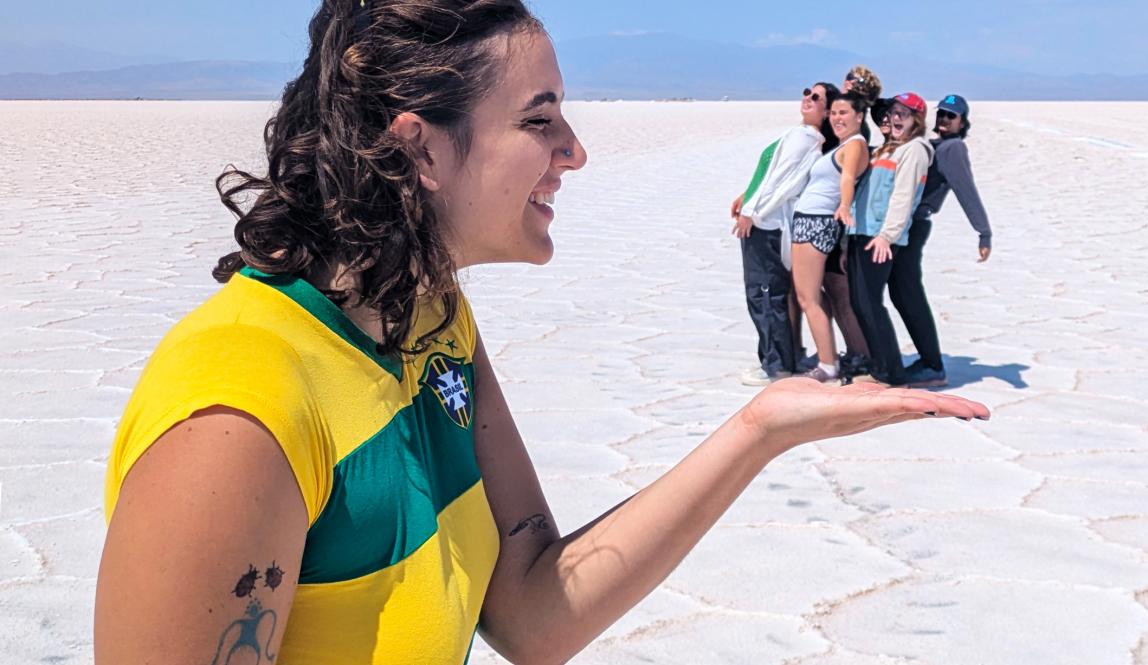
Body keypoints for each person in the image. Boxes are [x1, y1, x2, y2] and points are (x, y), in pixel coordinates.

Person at [94, 4, 989, 663]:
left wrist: (761, 431)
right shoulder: (237, 418)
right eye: (538, 120)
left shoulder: (428, 318)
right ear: (420, 149)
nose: (575, 150)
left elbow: (531, 610)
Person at [731, 83, 837, 386]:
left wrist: (752, 210)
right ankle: (778, 360)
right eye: (807, 92)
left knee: (764, 295)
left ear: (827, 112)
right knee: (766, 294)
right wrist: (746, 195)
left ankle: (776, 366)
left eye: (816, 97)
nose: (808, 98)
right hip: (765, 217)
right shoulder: (800, 134)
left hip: (768, 224)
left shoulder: (806, 139)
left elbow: (781, 183)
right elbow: (769, 174)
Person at [892, 94, 993, 388]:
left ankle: (932, 365)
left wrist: (983, 232)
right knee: (901, 294)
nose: (945, 120)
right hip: (904, 225)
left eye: (951, 116)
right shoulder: (933, 145)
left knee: (908, 294)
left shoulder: (953, 149)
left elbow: (966, 189)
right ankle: (928, 361)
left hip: (913, 227)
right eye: (942, 115)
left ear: (962, 122)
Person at [848, 92, 936, 386]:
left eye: (904, 114)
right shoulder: (886, 149)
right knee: (860, 302)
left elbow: (903, 197)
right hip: (862, 232)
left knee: (869, 303)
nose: (895, 118)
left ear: (917, 121)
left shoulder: (914, 150)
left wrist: (888, 235)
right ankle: (880, 365)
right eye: (893, 113)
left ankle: (890, 372)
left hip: (880, 237)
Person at [789, 92, 871, 382]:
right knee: (812, 294)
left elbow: (847, 177)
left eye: (844, 112)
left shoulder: (855, 145)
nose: (837, 118)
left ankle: (827, 364)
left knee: (807, 297)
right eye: (834, 113)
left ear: (859, 116)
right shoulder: (847, 144)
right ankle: (831, 357)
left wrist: (844, 206)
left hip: (816, 223)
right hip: (810, 222)